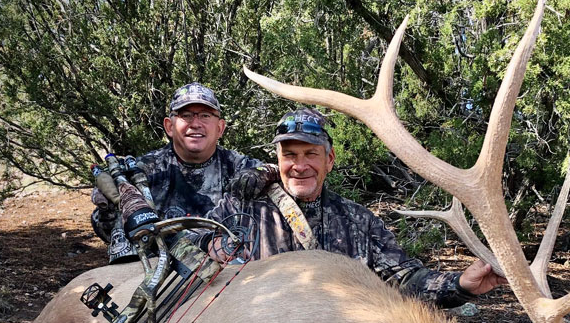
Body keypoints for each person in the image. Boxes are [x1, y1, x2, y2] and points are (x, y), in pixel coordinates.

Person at [225, 108, 505, 308]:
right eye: (290, 156)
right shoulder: (243, 209)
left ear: (330, 160)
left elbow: (405, 281)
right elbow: (188, 246)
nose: (300, 166)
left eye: (311, 154)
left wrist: (460, 285)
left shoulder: (358, 221)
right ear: (278, 160)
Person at [91, 82, 263, 262]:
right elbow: (107, 232)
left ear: (220, 128)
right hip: (164, 275)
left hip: (233, 272)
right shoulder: (142, 171)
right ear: (169, 126)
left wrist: (267, 173)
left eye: (205, 115)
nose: (195, 124)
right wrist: (107, 210)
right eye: (185, 115)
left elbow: (281, 175)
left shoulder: (242, 167)